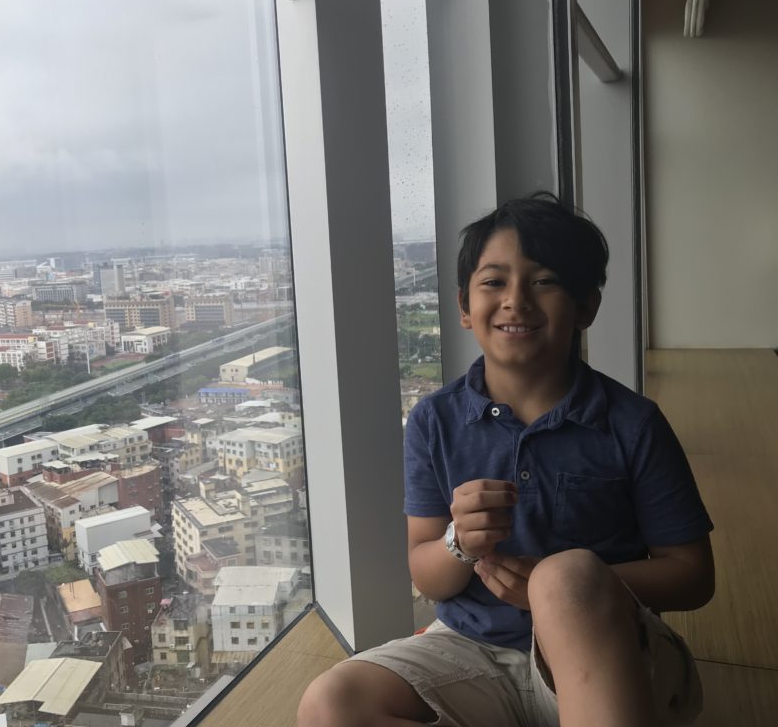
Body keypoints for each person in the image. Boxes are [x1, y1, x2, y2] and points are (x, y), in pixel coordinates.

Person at [297, 193, 714, 727]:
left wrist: (562, 590)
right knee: (330, 706)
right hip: (471, 648)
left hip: (610, 654)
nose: (516, 299)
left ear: (587, 305)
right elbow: (428, 575)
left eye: (544, 281)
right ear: (465, 308)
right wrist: (458, 542)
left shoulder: (632, 422)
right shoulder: (434, 420)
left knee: (564, 580)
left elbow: (694, 575)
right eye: (494, 282)